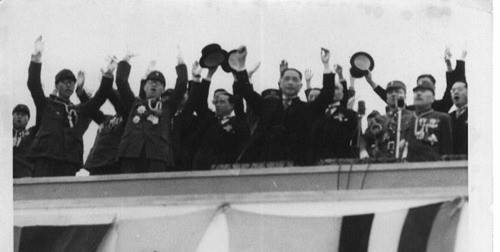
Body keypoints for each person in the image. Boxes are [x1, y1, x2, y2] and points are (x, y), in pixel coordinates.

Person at [27, 36, 114, 177]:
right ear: (57, 85)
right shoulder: (46, 104)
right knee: (43, 196)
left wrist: (108, 76)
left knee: (64, 197)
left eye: (72, 82)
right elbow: (34, 84)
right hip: (46, 157)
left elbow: (99, 98)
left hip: (69, 160)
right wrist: (36, 59)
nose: (69, 85)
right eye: (65, 81)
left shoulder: (79, 110)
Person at [232, 46, 335, 165]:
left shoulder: (307, 109)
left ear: (300, 86)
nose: (290, 82)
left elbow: (327, 96)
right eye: (287, 79)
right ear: (280, 83)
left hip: (299, 168)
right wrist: (241, 63)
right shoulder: (267, 106)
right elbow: (246, 92)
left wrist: (326, 65)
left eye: (295, 79)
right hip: (268, 166)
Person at [115, 49, 188, 173]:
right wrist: (125, 61)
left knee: (154, 189)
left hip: (157, 155)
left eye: (159, 84)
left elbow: (181, 85)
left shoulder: (167, 106)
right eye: (150, 82)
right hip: (130, 153)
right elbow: (121, 82)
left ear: (163, 89)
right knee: (129, 188)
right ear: (144, 87)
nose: (154, 85)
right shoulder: (134, 104)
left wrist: (181, 64)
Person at [364, 47, 465, 113]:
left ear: (433, 89)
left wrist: (449, 65)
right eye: (419, 86)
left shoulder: (441, 107)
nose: (422, 88)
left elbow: (452, 87)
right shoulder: (410, 110)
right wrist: (371, 82)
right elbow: (389, 97)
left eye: (426, 85)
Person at [190, 62, 250, 170]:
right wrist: (208, 76)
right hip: (205, 169)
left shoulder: (239, 121)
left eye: (222, 102)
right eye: (216, 102)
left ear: (232, 105)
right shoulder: (210, 120)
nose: (218, 105)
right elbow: (200, 103)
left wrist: (236, 76)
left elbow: (239, 100)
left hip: (229, 169)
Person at [363, 80, 413, 159]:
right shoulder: (378, 120)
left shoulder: (413, 117)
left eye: (398, 91)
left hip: (407, 163)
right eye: (390, 92)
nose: (393, 94)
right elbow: (365, 142)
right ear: (386, 98)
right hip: (383, 163)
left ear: (405, 96)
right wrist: (373, 153)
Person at [309, 79, 358, 160]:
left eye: (335, 88)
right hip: (317, 162)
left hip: (341, 161)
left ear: (342, 94)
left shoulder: (350, 114)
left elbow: (355, 140)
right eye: (329, 88)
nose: (332, 90)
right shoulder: (315, 114)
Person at [406, 80, 453, 161]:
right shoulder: (407, 119)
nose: (418, 93)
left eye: (423, 91)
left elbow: (447, 150)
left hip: (433, 168)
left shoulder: (443, 118)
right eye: (416, 91)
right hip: (408, 168)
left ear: (433, 98)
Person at [13, 104, 36, 178]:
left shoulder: (32, 134)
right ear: (13, 116)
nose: (19, 117)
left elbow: (42, 117)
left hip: (25, 176)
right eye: (17, 114)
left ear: (28, 119)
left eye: (23, 115)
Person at [449, 79, 468, 155]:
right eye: (453, 90)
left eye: (460, 89)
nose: (456, 92)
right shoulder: (448, 117)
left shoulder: (475, 114)